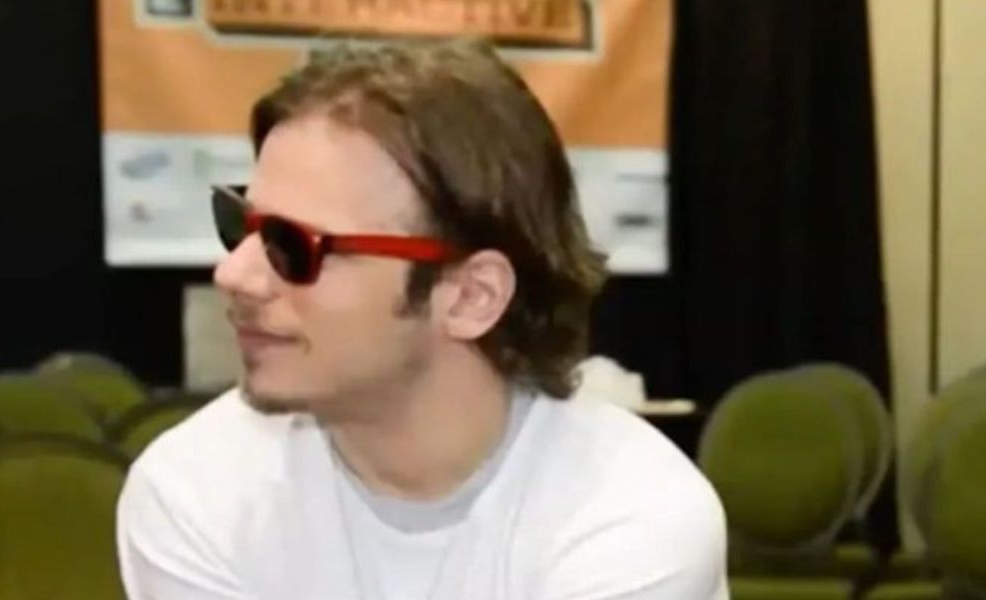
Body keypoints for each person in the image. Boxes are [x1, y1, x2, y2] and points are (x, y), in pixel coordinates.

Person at [116, 38, 728, 600]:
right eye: (238, 225)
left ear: (471, 296)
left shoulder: (631, 515)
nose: (234, 273)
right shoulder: (194, 490)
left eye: (293, 246)